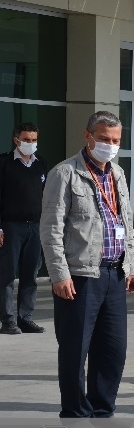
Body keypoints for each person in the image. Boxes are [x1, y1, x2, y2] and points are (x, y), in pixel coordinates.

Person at [40, 111, 134, 427]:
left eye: (116, 140)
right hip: (80, 276)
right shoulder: (65, 174)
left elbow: (126, 224)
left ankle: (102, 410)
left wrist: (132, 266)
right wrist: (59, 274)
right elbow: (51, 229)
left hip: (114, 273)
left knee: (113, 350)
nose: (110, 145)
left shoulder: (118, 174)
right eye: (104, 139)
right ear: (88, 136)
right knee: (75, 349)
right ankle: (75, 413)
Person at [0, 123, 48, 334]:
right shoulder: (4, 163)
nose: (30, 143)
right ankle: (8, 320)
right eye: (26, 140)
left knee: (30, 275)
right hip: (11, 227)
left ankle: (25, 318)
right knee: (7, 275)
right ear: (16, 140)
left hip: (35, 227)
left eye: (34, 140)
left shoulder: (41, 164)